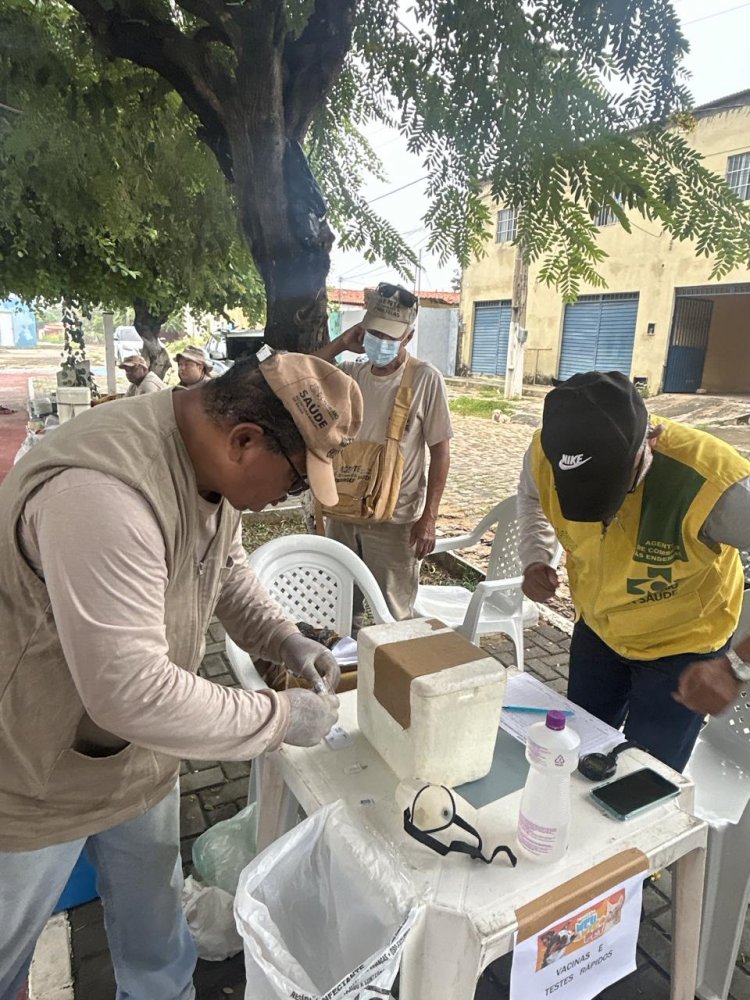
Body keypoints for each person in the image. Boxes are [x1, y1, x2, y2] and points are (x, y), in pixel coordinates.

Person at [0, 350, 363, 1000]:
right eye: (295, 481)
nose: (293, 496)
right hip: (30, 775)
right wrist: (279, 719)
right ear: (245, 441)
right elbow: (130, 692)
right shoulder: (102, 494)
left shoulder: (207, 465)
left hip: (140, 760)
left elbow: (222, 568)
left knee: (156, 937)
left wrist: (281, 637)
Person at [518, 370, 750, 772]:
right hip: (597, 630)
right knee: (573, 753)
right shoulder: (546, 451)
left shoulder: (713, 482)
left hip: (682, 650)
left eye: (611, 492)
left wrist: (736, 667)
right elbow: (530, 498)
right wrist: (536, 556)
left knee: (643, 779)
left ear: (651, 442)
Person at [316, 282, 452, 623]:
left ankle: (390, 673)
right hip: (345, 512)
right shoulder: (352, 374)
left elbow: (441, 452)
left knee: (391, 615)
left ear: (408, 336)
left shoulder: (425, 380)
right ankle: (349, 673)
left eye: (391, 337)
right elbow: (304, 373)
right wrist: (340, 343)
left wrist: (429, 518)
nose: (383, 343)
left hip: (395, 521)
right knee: (341, 605)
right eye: (375, 333)